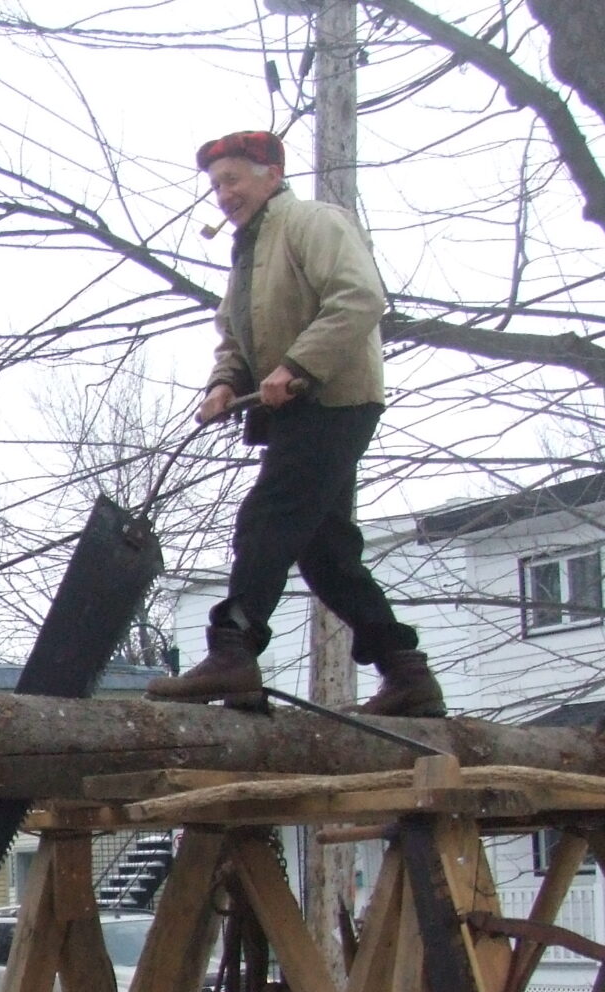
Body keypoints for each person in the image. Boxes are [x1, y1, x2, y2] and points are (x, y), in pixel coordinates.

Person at [147, 129, 444, 720]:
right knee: (325, 553)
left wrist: (297, 366)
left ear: (272, 175)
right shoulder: (249, 253)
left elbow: (360, 298)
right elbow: (237, 337)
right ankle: (406, 674)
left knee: (268, 516)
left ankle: (234, 647)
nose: (224, 194)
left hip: (333, 398)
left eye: (233, 180)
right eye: (216, 186)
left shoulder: (313, 222)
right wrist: (224, 383)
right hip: (294, 409)